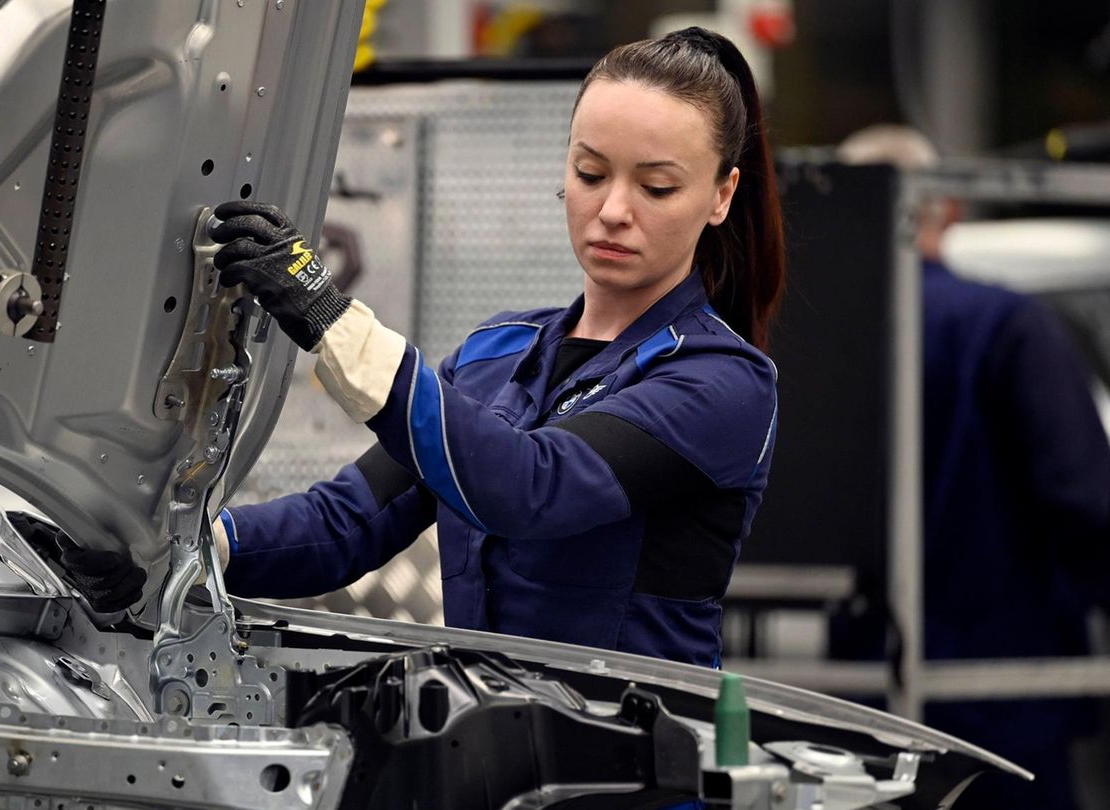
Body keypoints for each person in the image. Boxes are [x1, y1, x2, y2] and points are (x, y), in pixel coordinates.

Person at [198, 26, 784, 669]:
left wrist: (329, 316)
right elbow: (346, 523)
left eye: (657, 187)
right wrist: (197, 550)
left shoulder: (722, 381)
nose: (614, 209)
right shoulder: (494, 353)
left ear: (721, 195)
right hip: (481, 742)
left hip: (630, 756)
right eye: (590, 172)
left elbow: (530, 486)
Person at [838, 125, 1110, 809]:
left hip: (850, 697)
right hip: (1003, 694)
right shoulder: (1008, 325)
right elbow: (1085, 499)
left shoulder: (809, 343)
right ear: (948, 208)